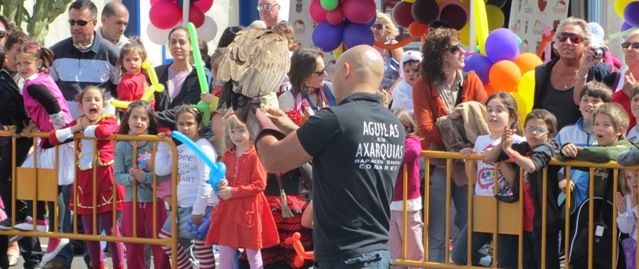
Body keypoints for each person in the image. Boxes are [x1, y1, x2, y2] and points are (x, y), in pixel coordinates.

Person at [255, 45, 406, 268]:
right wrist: (289, 127)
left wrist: (257, 119)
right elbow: (339, 153)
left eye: (332, 72)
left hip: (343, 256)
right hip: (377, 253)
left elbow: (272, 158)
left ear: (346, 70)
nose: (329, 81)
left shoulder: (334, 119)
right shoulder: (394, 125)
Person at [412, 27, 486, 262]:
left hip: (469, 165)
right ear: (441, 55)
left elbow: (483, 120)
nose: (462, 52)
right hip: (440, 165)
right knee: (437, 233)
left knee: (471, 228)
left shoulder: (472, 80)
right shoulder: (423, 85)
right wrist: (462, 130)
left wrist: (452, 130)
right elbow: (427, 130)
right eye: (455, 49)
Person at [11, 40, 77, 264]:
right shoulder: (40, 79)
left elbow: (51, 103)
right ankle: (39, 221)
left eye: (26, 63)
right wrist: (34, 126)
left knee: (47, 182)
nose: (22, 67)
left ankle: (53, 231)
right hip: (53, 136)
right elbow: (42, 108)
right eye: (18, 63)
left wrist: (60, 130)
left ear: (38, 63)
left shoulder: (32, 84)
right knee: (37, 177)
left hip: (57, 137)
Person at [48, 86, 125, 269]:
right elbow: (52, 139)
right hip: (85, 184)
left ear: (104, 104)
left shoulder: (109, 121)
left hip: (107, 182)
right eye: (88, 100)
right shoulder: (78, 122)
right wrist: (75, 128)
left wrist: (84, 129)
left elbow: (103, 133)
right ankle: (97, 266)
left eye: (97, 99)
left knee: (113, 233)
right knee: (90, 234)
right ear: (81, 105)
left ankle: (119, 266)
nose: (93, 103)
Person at [451, 92, 524, 267]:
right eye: (489, 110)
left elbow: (517, 181)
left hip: (508, 204)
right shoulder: (481, 140)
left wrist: (501, 153)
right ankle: (489, 262)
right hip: (483, 204)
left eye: (499, 110)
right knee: (460, 255)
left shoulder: (519, 141)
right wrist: (469, 159)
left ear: (512, 116)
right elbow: (474, 179)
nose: (493, 114)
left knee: (507, 260)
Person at [485, 109, 560, 268]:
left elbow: (532, 166)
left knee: (546, 263)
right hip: (524, 220)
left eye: (540, 130)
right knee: (526, 263)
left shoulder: (547, 147)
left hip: (544, 221)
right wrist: (504, 142)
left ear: (550, 134)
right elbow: (488, 158)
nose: (534, 133)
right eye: (529, 128)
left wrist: (510, 152)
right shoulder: (523, 147)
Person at [206, 114, 279, 268]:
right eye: (232, 131)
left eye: (241, 130)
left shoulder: (255, 155)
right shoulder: (227, 155)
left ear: (250, 131)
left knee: (253, 253)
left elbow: (260, 184)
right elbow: (220, 181)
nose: (237, 135)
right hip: (229, 211)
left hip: (249, 210)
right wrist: (220, 184)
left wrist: (233, 191)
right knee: (225, 252)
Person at [0, 30, 43, 269]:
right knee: (6, 207)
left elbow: (43, 109)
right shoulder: (3, 78)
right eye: (15, 52)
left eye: (23, 53)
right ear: (6, 54)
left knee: (24, 204)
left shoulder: (35, 78)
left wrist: (33, 130)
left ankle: (33, 258)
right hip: (7, 147)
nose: (19, 59)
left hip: (27, 148)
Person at [155, 105, 217, 269]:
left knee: (202, 248)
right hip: (182, 206)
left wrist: (199, 209)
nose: (185, 128)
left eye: (190, 123)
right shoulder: (181, 148)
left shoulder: (203, 147)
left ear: (199, 125)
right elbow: (161, 169)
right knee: (165, 238)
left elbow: (206, 179)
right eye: (181, 124)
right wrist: (162, 144)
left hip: (200, 206)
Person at [114, 100, 170, 269]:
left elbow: (162, 173)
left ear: (149, 122)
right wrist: (131, 178)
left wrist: (144, 177)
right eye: (135, 117)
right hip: (131, 201)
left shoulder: (155, 143)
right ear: (127, 120)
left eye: (144, 118)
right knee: (132, 242)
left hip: (155, 200)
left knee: (160, 241)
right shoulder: (122, 144)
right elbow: (117, 176)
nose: (139, 121)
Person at [534, 17, 610, 131]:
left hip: (583, 144)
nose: (567, 42)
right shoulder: (541, 72)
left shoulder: (601, 73)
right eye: (562, 37)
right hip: (546, 144)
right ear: (556, 42)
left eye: (575, 39)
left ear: (586, 44)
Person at [50, 0, 120, 118]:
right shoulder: (55, 53)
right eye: (72, 22)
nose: (75, 27)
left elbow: (121, 91)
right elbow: (50, 91)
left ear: (94, 23)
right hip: (68, 129)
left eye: (81, 23)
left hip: (101, 130)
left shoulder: (113, 54)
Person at [556, 81, 611, 210]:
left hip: (600, 202)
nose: (589, 104)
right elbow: (553, 161)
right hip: (571, 201)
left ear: (606, 106)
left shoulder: (610, 135)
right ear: (579, 105)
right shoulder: (566, 132)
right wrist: (561, 180)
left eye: (595, 100)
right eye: (585, 100)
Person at [154, 26, 212, 129]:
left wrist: (150, 118)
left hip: (185, 138)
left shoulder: (200, 77)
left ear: (191, 46)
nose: (177, 46)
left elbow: (188, 110)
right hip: (155, 137)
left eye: (182, 42)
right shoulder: (157, 72)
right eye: (173, 42)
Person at [389, 109, 424, 268]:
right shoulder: (386, 144)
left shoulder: (411, 140)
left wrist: (387, 154)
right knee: (395, 254)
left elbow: (412, 152)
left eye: (396, 127)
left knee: (413, 252)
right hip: (390, 204)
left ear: (407, 128)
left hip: (408, 204)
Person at [278, 48, 335, 124]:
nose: (325, 74)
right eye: (320, 72)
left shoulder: (330, 88)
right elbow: (288, 130)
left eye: (325, 69)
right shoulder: (287, 99)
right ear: (305, 77)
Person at [600, 29, 639, 127]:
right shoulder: (612, 79)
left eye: (636, 46)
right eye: (626, 45)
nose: (629, 49)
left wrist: (632, 94)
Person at [372, 12, 403, 91]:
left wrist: (390, 93)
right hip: (374, 96)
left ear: (388, 29)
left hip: (394, 96)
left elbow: (404, 73)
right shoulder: (369, 48)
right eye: (371, 26)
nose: (374, 29)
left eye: (378, 26)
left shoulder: (392, 46)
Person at [115, 38, 150, 109]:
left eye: (136, 59)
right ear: (122, 63)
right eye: (128, 60)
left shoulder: (144, 75)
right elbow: (125, 107)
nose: (132, 63)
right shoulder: (126, 83)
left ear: (142, 60)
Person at [616, 169, 639, 269]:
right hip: (635, 249)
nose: (633, 180)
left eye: (637, 175)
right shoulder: (628, 198)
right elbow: (627, 229)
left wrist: (635, 207)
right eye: (628, 177)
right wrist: (622, 212)